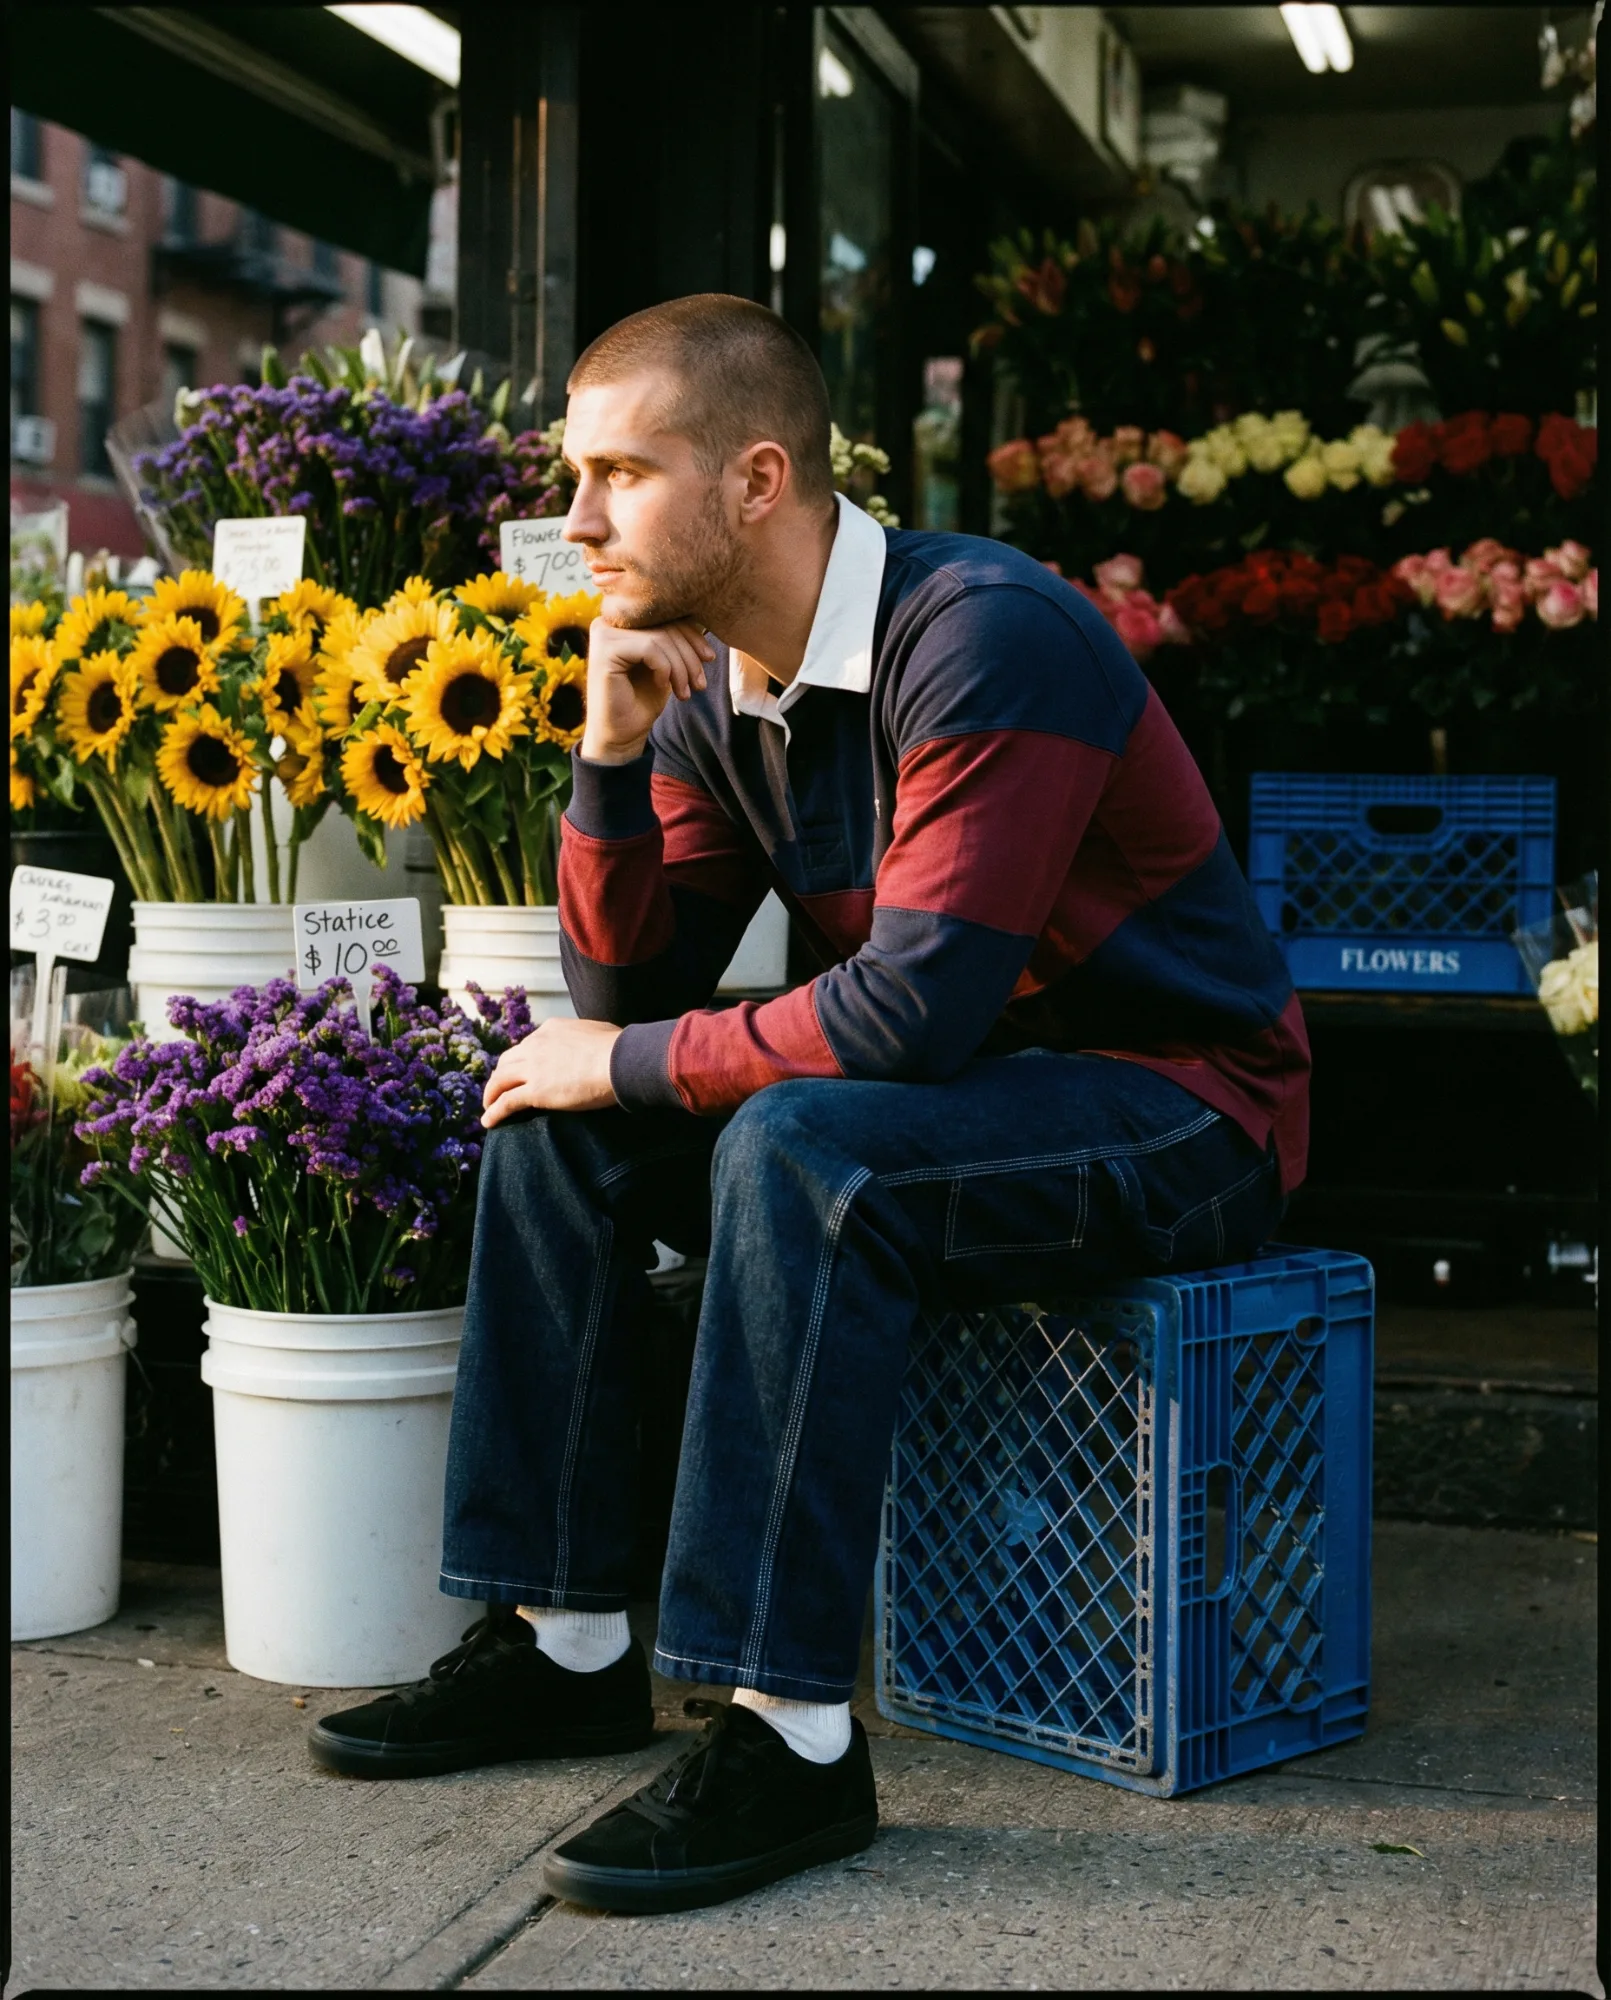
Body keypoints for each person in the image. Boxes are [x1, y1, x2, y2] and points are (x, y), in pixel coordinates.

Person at [309, 294, 1310, 1915]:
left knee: (795, 1139)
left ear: (757, 479)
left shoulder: (982, 632)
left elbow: (908, 1014)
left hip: (1180, 1104)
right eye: (575, 478)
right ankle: (564, 1638)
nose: (573, 527)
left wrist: (632, 1060)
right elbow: (627, 1005)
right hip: (974, 1095)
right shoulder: (720, 685)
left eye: (618, 476)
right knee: (564, 1125)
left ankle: (790, 1737)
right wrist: (611, 751)